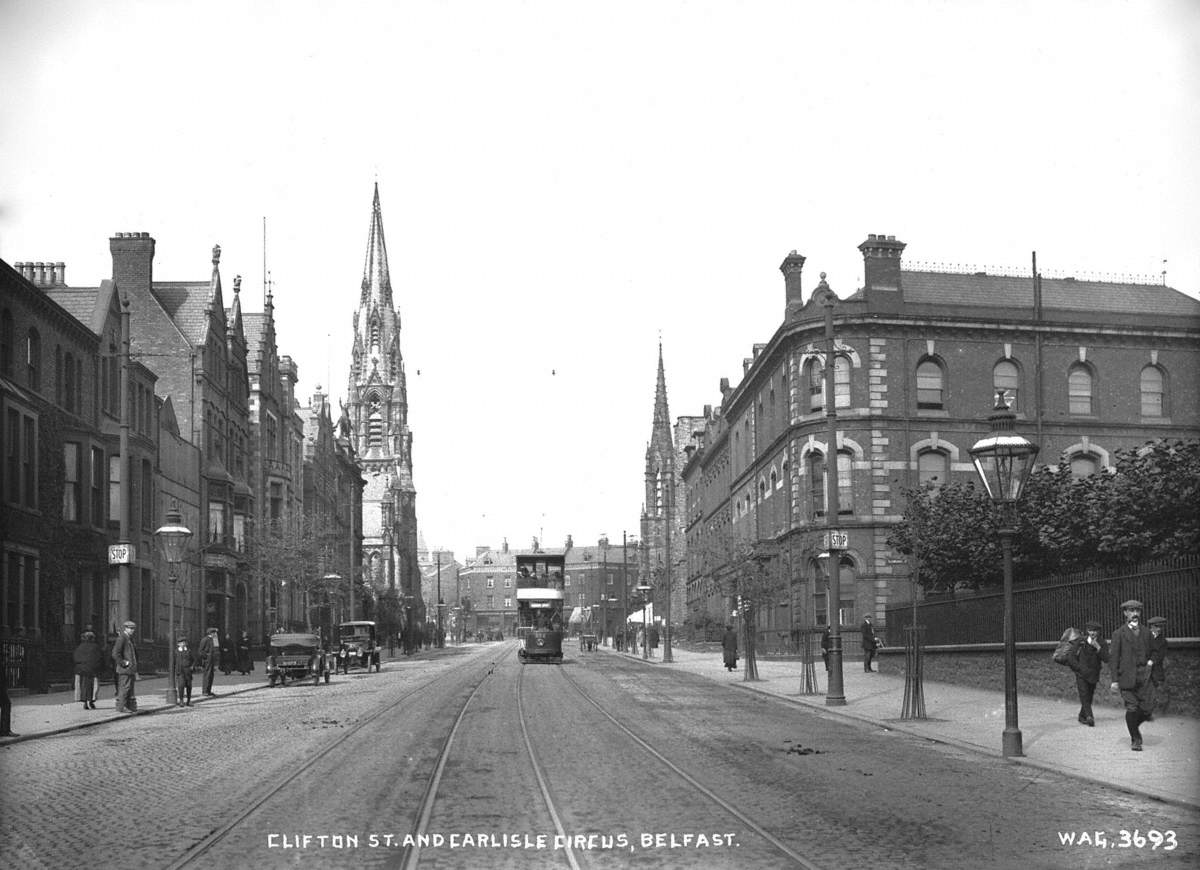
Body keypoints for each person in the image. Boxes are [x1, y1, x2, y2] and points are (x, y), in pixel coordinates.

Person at [1109, 599, 1154, 751]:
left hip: (1144, 678)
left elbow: (1153, 652)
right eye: (1131, 611)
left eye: (1137, 611)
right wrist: (1114, 680)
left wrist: (1150, 663)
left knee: (1148, 709)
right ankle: (1135, 739)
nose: (1135, 614)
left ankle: (1134, 726)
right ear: (1125, 613)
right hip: (1126, 677)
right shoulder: (1118, 634)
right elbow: (1114, 658)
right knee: (1132, 707)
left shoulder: (1147, 632)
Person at [1067, 620, 1109, 726]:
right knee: (1084, 694)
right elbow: (1071, 657)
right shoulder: (1081, 641)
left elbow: (1107, 659)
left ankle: (1082, 716)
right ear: (1087, 631)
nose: (1092, 633)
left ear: (1099, 632)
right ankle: (1090, 717)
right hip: (1081, 674)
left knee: (1089, 695)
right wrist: (1079, 668)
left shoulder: (1102, 642)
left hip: (1094, 674)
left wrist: (1098, 647)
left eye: (1095, 631)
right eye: (1090, 630)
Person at [72, 629, 105, 710]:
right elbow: (100, 658)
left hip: (81, 670)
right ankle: (91, 701)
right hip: (93, 670)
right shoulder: (96, 647)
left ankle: (84, 702)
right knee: (93, 686)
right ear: (92, 638)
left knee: (82, 686)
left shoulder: (79, 647)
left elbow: (75, 658)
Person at [111, 620, 139, 713]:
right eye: (130, 628)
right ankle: (120, 708)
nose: (132, 630)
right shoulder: (122, 638)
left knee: (129, 689)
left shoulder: (129, 638)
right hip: (124, 669)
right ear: (126, 628)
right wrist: (124, 663)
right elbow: (115, 653)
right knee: (124, 688)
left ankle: (128, 707)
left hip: (130, 669)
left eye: (133, 629)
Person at [1146, 616, 1169, 718]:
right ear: (1151, 627)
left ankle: (1148, 712)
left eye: (1160, 627)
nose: (1159, 629)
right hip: (1143, 667)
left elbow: (1160, 656)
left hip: (1155, 669)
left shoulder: (1163, 641)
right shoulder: (1145, 637)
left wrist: (1151, 661)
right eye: (1156, 626)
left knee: (1152, 690)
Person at [198, 627, 220, 696]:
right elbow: (200, 651)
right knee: (207, 675)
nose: (215, 634)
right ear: (211, 633)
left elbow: (216, 649)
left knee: (211, 676)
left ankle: (208, 690)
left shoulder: (213, 639)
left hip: (211, 661)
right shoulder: (205, 640)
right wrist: (207, 656)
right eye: (214, 633)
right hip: (207, 661)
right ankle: (205, 691)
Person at [174, 637, 194, 706]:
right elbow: (173, 662)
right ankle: (181, 700)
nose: (183, 644)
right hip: (180, 671)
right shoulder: (176, 651)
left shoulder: (188, 651)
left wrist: (192, 666)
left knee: (189, 686)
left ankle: (189, 700)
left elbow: (193, 659)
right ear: (178, 644)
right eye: (181, 643)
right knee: (181, 685)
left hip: (188, 671)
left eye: (184, 642)